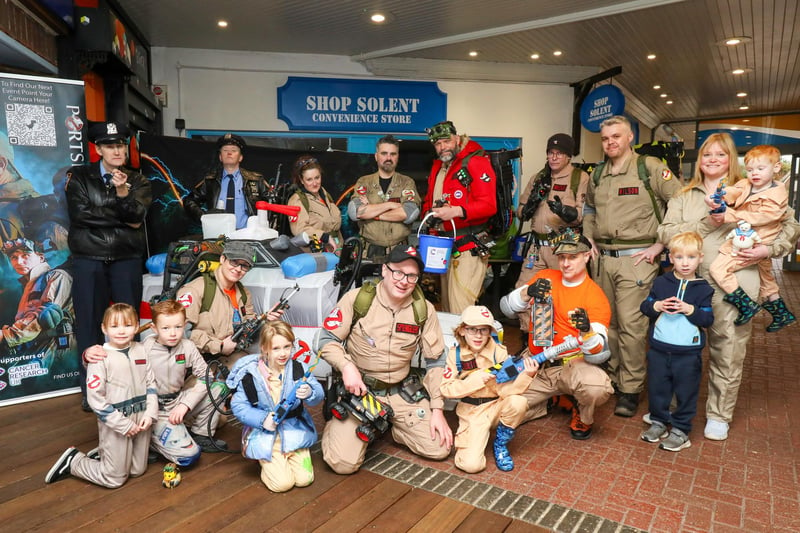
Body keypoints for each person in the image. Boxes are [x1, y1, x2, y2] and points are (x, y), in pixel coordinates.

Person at [658, 132, 800, 441]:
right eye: (707, 154)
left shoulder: (754, 187)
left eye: (720, 154)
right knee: (678, 347)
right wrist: (708, 223)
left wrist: (769, 250)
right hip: (688, 282)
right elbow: (667, 234)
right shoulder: (684, 195)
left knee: (728, 348)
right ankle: (671, 408)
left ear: (730, 159)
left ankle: (719, 414)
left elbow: (789, 225)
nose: (712, 160)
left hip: (736, 281)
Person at [315, 244, 453, 474]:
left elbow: (436, 360)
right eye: (398, 272)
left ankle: (392, 425)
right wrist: (347, 366)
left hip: (401, 392)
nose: (404, 281)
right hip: (361, 394)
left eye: (411, 275)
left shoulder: (424, 309)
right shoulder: (357, 300)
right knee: (343, 464)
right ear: (385, 270)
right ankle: (346, 425)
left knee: (439, 448)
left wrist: (437, 409)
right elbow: (324, 340)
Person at [582, 115, 681, 417]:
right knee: (605, 324)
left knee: (631, 327)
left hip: (637, 261)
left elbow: (678, 202)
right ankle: (611, 378)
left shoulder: (648, 168)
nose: (610, 142)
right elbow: (588, 208)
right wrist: (588, 238)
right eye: (605, 138)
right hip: (602, 261)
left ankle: (630, 388)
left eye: (616, 136)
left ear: (629, 138)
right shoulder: (598, 173)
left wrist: (660, 245)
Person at [65, 121, 152, 411]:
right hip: (89, 258)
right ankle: (91, 392)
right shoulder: (79, 176)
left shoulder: (138, 180)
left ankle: (133, 386)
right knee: (90, 324)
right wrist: (122, 217)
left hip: (126, 259)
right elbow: (80, 216)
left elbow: (137, 215)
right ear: (99, 149)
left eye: (121, 145)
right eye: (111, 145)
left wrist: (123, 192)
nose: (118, 150)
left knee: (128, 325)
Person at [500, 230, 614, 440]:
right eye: (562, 258)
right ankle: (546, 402)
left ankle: (582, 413)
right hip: (534, 363)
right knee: (500, 404)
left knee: (596, 386)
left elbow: (598, 353)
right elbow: (506, 308)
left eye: (573, 257)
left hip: (570, 367)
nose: (566, 263)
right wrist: (527, 292)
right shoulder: (545, 278)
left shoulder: (596, 297)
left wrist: (587, 331)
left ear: (587, 256)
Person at [45, 303, 158, 487]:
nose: (121, 331)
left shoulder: (141, 349)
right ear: (104, 328)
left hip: (142, 415)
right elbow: (96, 400)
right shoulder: (99, 357)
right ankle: (73, 461)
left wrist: (150, 413)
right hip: (116, 419)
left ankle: (107, 454)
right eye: (114, 326)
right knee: (115, 479)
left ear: (137, 326)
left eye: (127, 325)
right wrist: (123, 424)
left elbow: (151, 383)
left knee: (137, 470)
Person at [705, 145, 796, 331]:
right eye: (750, 169)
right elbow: (734, 191)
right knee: (766, 278)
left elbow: (763, 217)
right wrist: (721, 195)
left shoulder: (778, 197)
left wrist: (728, 214)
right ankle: (782, 313)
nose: (754, 173)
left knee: (718, 268)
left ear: (776, 168)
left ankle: (745, 304)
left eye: (760, 169)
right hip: (751, 238)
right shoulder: (748, 184)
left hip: (753, 242)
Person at [226, 321, 323, 493]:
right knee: (282, 485)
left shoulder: (299, 368)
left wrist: (310, 392)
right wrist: (263, 420)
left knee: (305, 479)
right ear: (264, 348)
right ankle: (267, 462)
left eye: (287, 346)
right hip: (266, 433)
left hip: (295, 429)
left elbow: (318, 396)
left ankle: (288, 456)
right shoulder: (251, 375)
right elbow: (239, 406)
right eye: (276, 348)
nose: (283, 353)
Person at [440, 305, 538, 473]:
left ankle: (500, 444)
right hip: (472, 411)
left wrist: (527, 375)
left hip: (495, 406)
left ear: (490, 331)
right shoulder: (455, 355)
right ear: (462, 330)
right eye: (472, 329)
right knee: (471, 465)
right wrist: (475, 380)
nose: (478, 335)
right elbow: (446, 389)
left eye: (484, 330)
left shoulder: (498, 353)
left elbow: (506, 392)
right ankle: (476, 438)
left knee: (518, 402)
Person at [639, 231, 714, 452]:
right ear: (671, 258)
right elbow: (645, 307)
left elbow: (708, 319)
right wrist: (657, 306)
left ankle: (681, 429)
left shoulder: (703, 288)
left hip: (688, 353)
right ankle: (659, 422)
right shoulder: (662, 282)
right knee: (657, 387)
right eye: (679, 257)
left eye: (691, 258)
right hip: (659, 349)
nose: (685, 263)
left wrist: (690, 309)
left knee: (686, 390)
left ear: (700, 258)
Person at [514, 133, 589, 334]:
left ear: (568, 156)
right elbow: (520, 211)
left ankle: (561, 339)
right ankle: (529, 339)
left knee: (563, 295)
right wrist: (529, 206)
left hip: (563, 248)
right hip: (537, 248)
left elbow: (584, 214)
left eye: (559, 153)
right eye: (550, 153)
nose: (554, 157)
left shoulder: (579, 178)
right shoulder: (539, 178)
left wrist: (566, 212)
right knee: (523, 292)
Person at [422, 120, 497, 314]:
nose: (442, 147)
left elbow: (489, 205)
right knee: (447, 311)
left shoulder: (475, 161)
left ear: (457, 138)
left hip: (467, 248)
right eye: (437, 144)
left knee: (462, 313)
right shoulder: (440, 166)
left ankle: (468, 345)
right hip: (444, 246)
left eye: (446, 141)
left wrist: (456, 211)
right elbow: (429, 201)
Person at [177, 240, 259, 371]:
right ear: (222, 259)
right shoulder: (196, 289)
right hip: (198, 361)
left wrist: (264, 322)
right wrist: (218, 345)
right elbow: (181, 333)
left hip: (230, 358)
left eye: (245, 266)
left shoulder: (243, 293)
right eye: (234, 262)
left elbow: (249, 324)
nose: (238, 269)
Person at [0, 237, 74, 372]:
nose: (19, 261)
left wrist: (7, 335)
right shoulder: (29, 285)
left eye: (25, 255)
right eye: (14, 257)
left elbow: (46, 317)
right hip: (37, 347)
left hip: (58, 347)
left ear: (40, 258)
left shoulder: (57, 276)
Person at [347, 135, 420, 261]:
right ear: (376, 156)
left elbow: (409, 213)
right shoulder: (364, 182)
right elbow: (355, 212)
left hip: (400, 251)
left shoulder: (406, 182)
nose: (388, 158)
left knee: (400, 281)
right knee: (370, 281)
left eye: (393, 154)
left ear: (397, 157)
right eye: (384, 153)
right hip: (370, 251)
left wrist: (373, 213)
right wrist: (390, 205)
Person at [183, 133, 270, 230]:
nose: (229, 153)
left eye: (234, 150)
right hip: (218, 236)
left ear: (241, 157)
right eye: (225, 150)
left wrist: (263, 227)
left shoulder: (255, 180)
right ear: (220, 157)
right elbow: (189, 201)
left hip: (247, 235)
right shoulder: (210, 181)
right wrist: (204, 218)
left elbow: (272, 203)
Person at [286, 155, 342, 253]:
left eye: (317, 178)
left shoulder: (324, 193)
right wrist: (324, 236)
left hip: (337, 251)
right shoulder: (297, 200)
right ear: (302, 180)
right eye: (309, 179)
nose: (315, 183)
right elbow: (299, 230)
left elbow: (334, 227)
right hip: (316, 255)